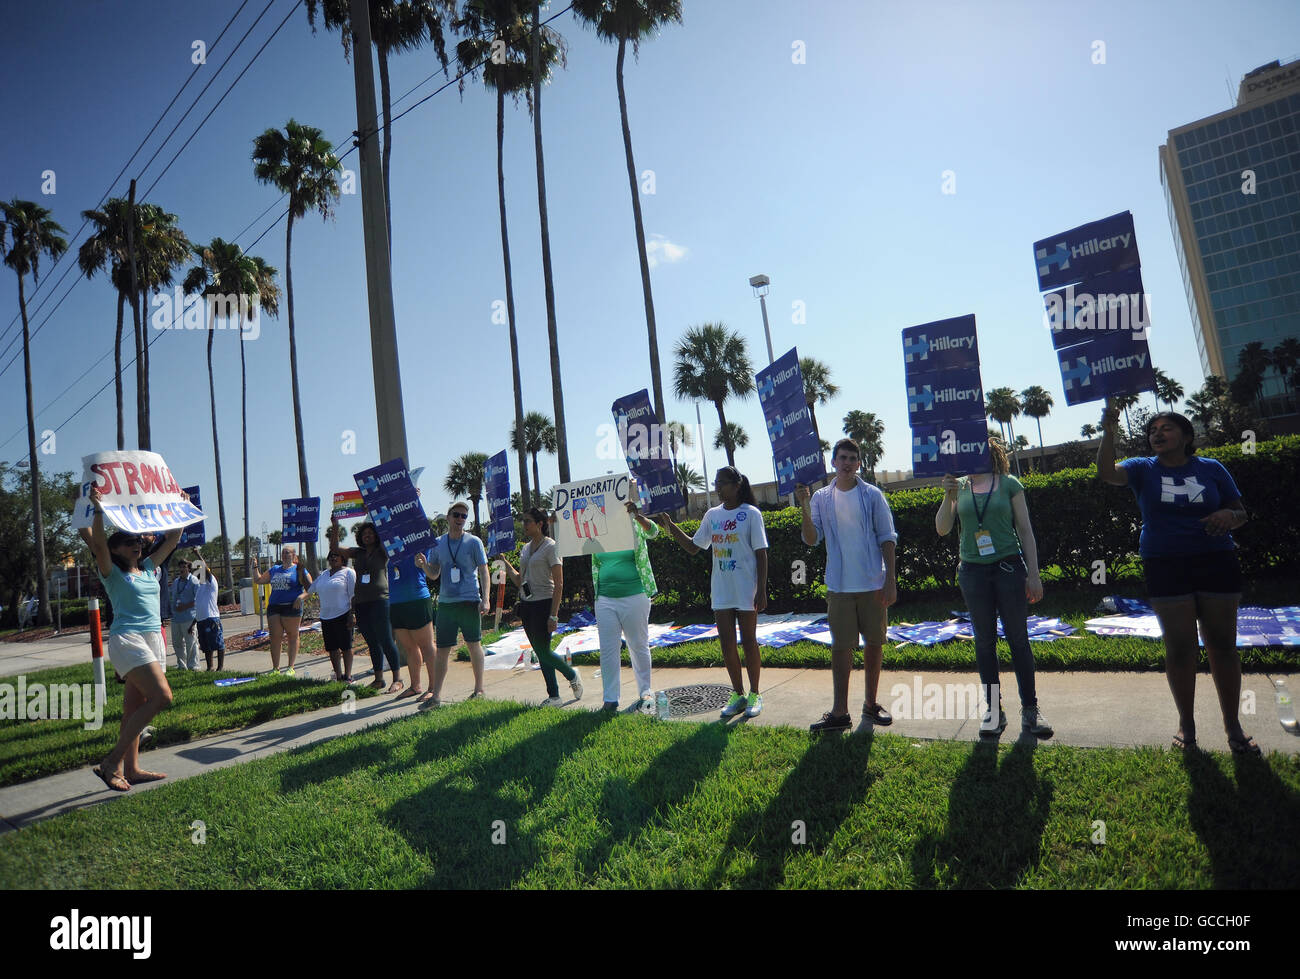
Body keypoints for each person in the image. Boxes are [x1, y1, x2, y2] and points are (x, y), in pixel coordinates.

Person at [1097, 399, 1257, 754]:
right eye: (1153, 430)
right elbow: (1107, 472)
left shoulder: (1212, 468)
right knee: (1181, 647)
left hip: (1216, 560)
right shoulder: (1142, 468)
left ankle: (1233, 726)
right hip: (1165, 563)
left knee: (1222, 646)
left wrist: (1228, 518)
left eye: (1166, 428)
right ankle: (1187, 725)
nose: (1158, 434)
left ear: (1187, 436)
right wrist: (1109, 428)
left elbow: (1240, 512)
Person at [934, 436, 1053, 739]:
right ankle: (993, 711)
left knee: (1018, 640)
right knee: (984, 643)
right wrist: (946, 496)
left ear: (990, 454)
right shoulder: (958, 487)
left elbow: (1025, 531)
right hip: (972, 572)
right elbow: (942, 528)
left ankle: (1030, 710)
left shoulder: (1009, 483)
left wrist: (1034, 574)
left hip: (1008, 569)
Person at [796, 438, 899, 733]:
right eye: (842, 457)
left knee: (875, 644)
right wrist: (804, 504)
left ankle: (871, 704)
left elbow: (887, 537)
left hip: (873, 584)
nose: (847, 463)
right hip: (839, 586)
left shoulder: (872, 495)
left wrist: (890, 579)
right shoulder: (820, 499)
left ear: (858, 464)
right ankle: (840, 712)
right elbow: (812, 539)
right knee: (841, 648)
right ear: (833, 462)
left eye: (852, 458)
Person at [86, 486, 183, 792]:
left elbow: (174, 538)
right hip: (128, 639)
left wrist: (180, 507)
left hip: (153, 638)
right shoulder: (110, 572)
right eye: (129, 542)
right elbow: (98, 543)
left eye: (138, 541)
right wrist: (98, 509)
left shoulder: (147, 568)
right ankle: (111, 763)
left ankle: (132, 768)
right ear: (115, 550)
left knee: (132, 709)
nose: (137, 545)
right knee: (162, 697)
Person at [658, 467, 769, 719]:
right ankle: (738, 694)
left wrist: (761, 590)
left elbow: (761, 554)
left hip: (745, 589)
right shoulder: (712, 515)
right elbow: (693, 547)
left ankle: (755, 693)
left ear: (737, 485)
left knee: (749, 641)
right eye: (716, 483)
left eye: (722, 483)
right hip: (721, 590)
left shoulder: (751, 514)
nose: (718, 488)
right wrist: (671, 526)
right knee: (726, 643)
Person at [497, 507, 583, 708]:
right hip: (527, 605)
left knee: (543, 652)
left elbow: (559, 583)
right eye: (523, 521)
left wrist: (553, 615)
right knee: (540, 650)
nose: (524, 525)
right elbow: (520, 580)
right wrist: (505, 564)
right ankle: (554, 696)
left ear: (540, 524)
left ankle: (571, 674)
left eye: (528, 521)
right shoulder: (526, 549)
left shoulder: (551, 547)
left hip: (544, 604)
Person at [421, 502, 489, 703]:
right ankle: (437, 695)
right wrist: (424, 565)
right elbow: (434, 574)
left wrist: (485, 599)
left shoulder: (474, 542)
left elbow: (484, 570)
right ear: (448, 517)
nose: (460, 520)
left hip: (470, 600)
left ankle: (479, 689)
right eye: (456, 515)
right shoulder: (438, 543)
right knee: (442, 650)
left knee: (474, 644)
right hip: (446, 604)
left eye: (463, 516)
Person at [329, 520, 405, 693]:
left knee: (386, 639)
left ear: (377, 535)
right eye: (364, 534)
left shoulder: (382, 551)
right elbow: (335, 548)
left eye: (371, 533)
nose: (367, 536)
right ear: (360, 537)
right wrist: (335, 525)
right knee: (372, 642)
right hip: (362, 603)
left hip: (380, 600)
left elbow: (392, 544)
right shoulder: (358, 553)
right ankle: (379, 679)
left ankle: (397, 678)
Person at [387, 545, 438, 706]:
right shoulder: (389, 543)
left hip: (417, 598)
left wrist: (422, 562)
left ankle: (434, 688)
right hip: (396, 602)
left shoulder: (419, 540)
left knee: (427, 646)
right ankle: (415, 686)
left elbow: (431, 570)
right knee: (409, 647)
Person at [251, 546, 312, 675]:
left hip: (292, 607)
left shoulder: (299, 569)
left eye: (287, 552)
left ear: (294, 555)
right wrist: (254, 567)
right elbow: (259, 580)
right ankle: (275, 669)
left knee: (292, 636)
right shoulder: (275, 569)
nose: (285, 555)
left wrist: (301, 597)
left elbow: (311, 589)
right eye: (283, 553)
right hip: (274, 607)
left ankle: (290, 667)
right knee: (275, 637)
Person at [308, 549, 357, 682]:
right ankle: (339, 676)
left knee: (346, 647)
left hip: (343, 614)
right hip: (326, 617)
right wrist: (301, 573)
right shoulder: (324, 574)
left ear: (343, 558)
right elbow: (310, 588)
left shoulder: (348, 572)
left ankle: (348, 676)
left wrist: (352, 614)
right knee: (332, 649)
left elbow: (353, 595)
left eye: (337, 556)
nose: (333, 558)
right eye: (331, 556)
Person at [191, 550, 225, 671]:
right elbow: (200, 607)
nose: (198, 573)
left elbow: (205, 567)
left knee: (218, 643)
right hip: (201, 620)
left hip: (212, 618)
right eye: (196, 571)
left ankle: (220, 668)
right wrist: (192, 624)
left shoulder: (211, 582)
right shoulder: (199, 587)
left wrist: (198, 555)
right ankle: (210, 667)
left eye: (200, 571)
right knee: (206, 646)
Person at [168, 557, 200, 671]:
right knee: (177, 643)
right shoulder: (176, 582)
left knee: (191, 643)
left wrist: (185, 606)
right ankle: (182, 666)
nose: (181, 569)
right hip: (176, 618)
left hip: (189, 617)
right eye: (180, 567)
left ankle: (193, 666)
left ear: (189, 569)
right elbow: (172, 597)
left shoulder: (194, 581)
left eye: (184, 567)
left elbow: (198, 599)